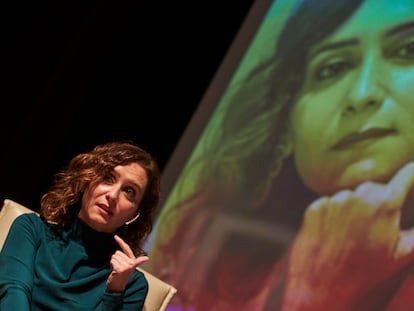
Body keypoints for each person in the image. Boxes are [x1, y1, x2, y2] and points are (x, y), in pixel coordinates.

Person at [146, 0, 414, 310]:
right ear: (285, 127)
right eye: (332, 68)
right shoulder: (217, 271)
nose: (362, 94)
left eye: (407, 51)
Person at [0, 141, 161, 310]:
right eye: (108, 178)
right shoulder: (31, 229)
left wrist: (114, 293)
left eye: (129, 191)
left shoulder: (131, 284)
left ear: (135, 213)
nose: (113, 195)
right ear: (87, 178)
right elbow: (13, 292)